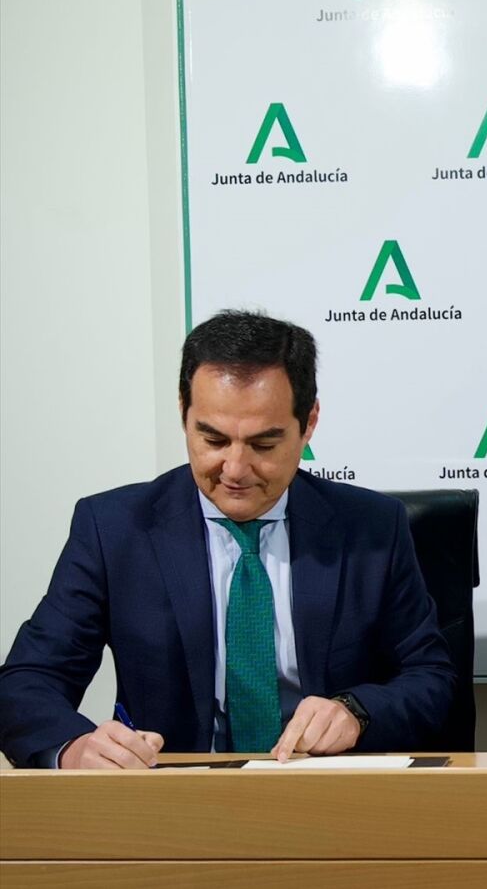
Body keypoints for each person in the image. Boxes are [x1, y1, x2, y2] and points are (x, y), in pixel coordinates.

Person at [0, 310, 454, 768]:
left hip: (326, 790)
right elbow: (26, 682)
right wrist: (73, 747)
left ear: (309, 422)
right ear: (184, 412)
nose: (235, 470)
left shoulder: (372, 528)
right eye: (214, 440)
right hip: (175, 793)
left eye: (263, 445)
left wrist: (357, 712)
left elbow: (431, 678)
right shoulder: (114, 529)